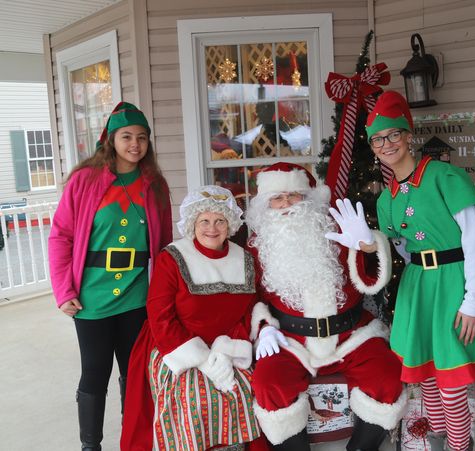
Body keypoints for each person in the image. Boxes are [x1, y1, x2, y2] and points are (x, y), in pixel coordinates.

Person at [360, 90, 475, 451]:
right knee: (426, 378)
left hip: (453, 284)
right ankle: (436, 439)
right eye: (378, 139)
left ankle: (459, 446)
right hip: (418, 287)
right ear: (373, 147)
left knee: (451, 384)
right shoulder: (386, 197)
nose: (386, 144)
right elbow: (401, 248)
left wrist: (473, 301)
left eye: (393, 134)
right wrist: (368, 243)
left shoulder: (445, 177)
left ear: (408, 135)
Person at [246, 162, 407, 451]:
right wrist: (264, 328)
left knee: (388, 375)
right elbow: (249, 299)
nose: (286, 205)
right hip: (291, 340)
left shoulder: (338, 233)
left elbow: (370, 279)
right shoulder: (257, 247)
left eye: (293, 195)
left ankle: (360, 448)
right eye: (277, 198)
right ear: (266, 205)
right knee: (268, 383)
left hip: (351, 335)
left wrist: (368, 244)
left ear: (308, 198)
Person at [48, 102, 173, 450]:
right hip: (92, 295)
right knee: (95, 372)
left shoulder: (155, 185)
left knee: (135, 376)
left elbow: (163, 245)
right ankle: (91, 446)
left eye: (142, 138)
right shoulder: (85, 180)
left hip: (136, 294)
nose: (135, 144)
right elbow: (61, 236)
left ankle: (134, 441)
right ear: (112, 139)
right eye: (127, 136)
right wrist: (64, 290)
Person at [120, 186, 269, 451]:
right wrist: (203, 360)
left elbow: (249, 310)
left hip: (229, 346)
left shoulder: (244, 259)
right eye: (204, 221)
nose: (212, 228)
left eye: (220, 221)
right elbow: (160, 315)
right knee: (192, 398)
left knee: (248, 390)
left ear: (230, 224)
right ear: (192, 223)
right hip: (175, 345)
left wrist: (227, 352)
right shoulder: (173, 258)